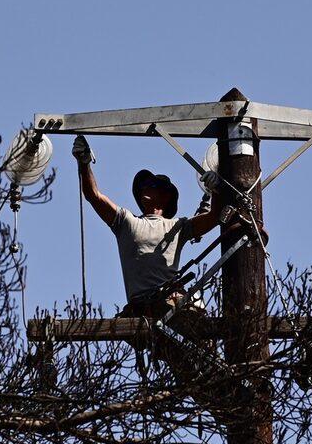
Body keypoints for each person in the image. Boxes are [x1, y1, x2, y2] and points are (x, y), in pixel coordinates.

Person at [71, 135, 222, 324]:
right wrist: (84, 163)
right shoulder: (126, 222)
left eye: (151, 185)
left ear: (166, 196)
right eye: (143, 186)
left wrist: (217, 189)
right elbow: (93, 196)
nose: (144, 189)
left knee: (199, 323)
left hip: (173, 301)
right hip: (141, 307)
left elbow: (215, 217)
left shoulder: (178, 227)